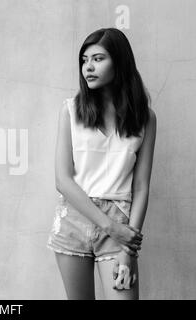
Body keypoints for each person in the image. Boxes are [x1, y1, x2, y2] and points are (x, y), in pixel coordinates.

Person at [47, 28, 157, 300]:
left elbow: (141, 187)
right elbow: (63, 180)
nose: (88, 67)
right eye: (84, 60)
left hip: (121, 222)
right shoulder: (71, 110)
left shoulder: (145, 118)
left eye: (98, 58)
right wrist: (109, 226)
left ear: (119, 62)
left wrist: (127, 247)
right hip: (74, 218)